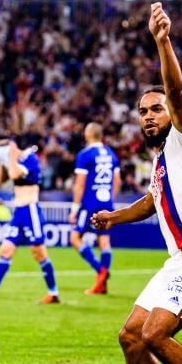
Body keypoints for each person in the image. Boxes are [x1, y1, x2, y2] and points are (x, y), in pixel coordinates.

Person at [92, 3, 182, 364]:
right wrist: (114, 217)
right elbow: (151, 202)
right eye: (143, 112)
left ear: (172, 112)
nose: (149, 116)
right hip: (179, 260)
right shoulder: (161, 161)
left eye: (156, 109)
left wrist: (162, 41)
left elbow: (176, 89)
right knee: (131, 337)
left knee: (155, 334)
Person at [0, 141, 59, 304]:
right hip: (18, 213)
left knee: (39, 252)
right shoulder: (15, 161)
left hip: (30, 210)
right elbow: (2, 179)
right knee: (5, 250)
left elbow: (15, 175)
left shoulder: (30, 158)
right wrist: (3, 160)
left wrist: (11, 155)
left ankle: (53, 293)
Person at [68, 122, 121, 295]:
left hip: (89, 203)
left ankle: (100, 271)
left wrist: (74, 208)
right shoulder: (111, 154)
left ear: (87, 134)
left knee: (75, 238)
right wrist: (111, 200)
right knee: (104, 241)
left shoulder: (85, 155)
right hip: (107, 203)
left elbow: (80, 184)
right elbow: (117, 181)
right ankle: (101, 285)